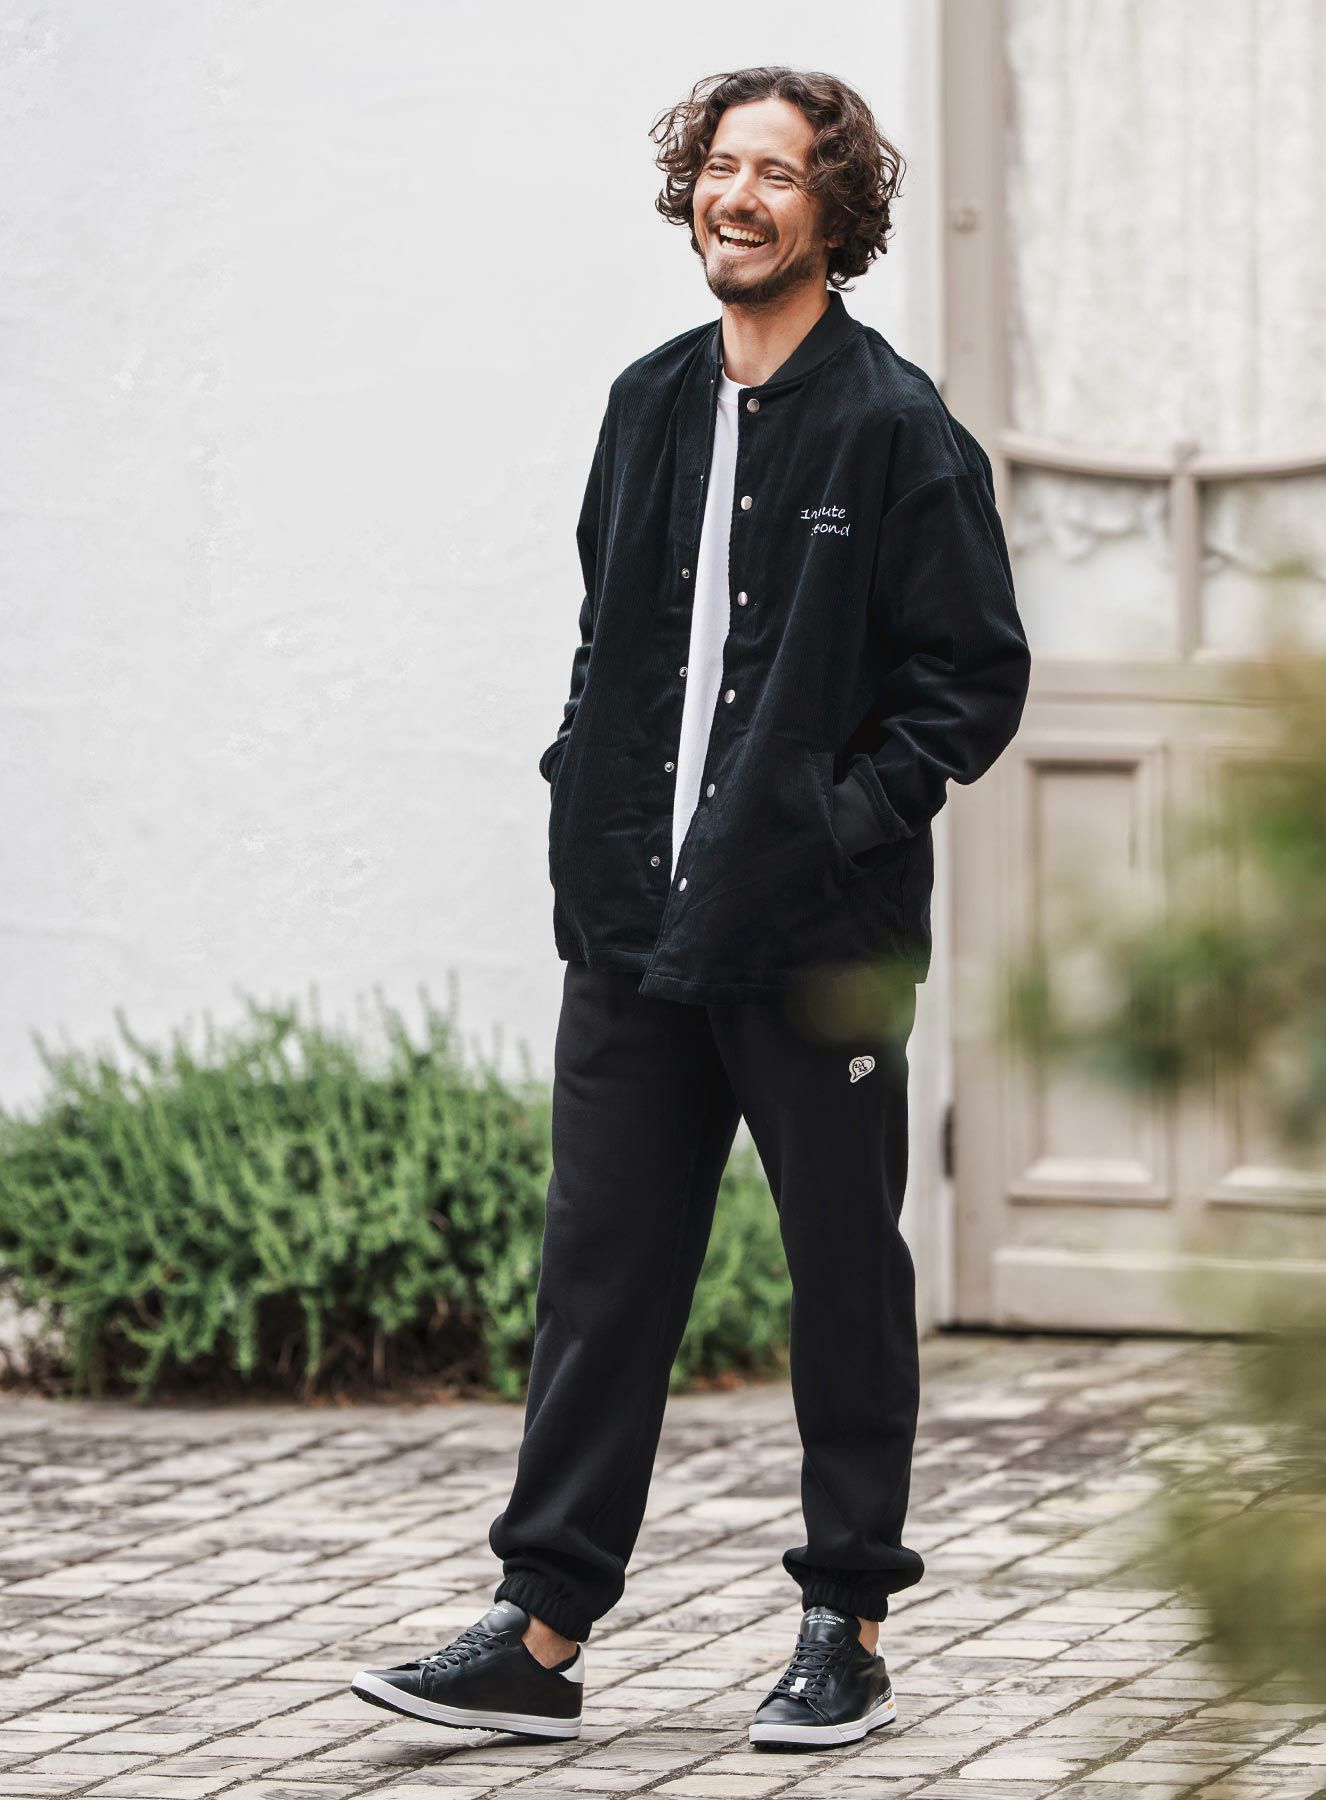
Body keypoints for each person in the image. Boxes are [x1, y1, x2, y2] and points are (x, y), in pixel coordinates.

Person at [352, 64, 1029, 1752]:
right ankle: (540, 1629)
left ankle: (845, 1623)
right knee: (600, 1278)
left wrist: (832, 827)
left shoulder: (894, 427)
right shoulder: (647, 402)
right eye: (722, 167)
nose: (740, 196)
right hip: (633, 932)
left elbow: (971, 678)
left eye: (779, 174)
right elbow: (613, 637)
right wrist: (579, 782)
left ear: (836, 209)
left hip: (818, 948)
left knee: (842, 1277)